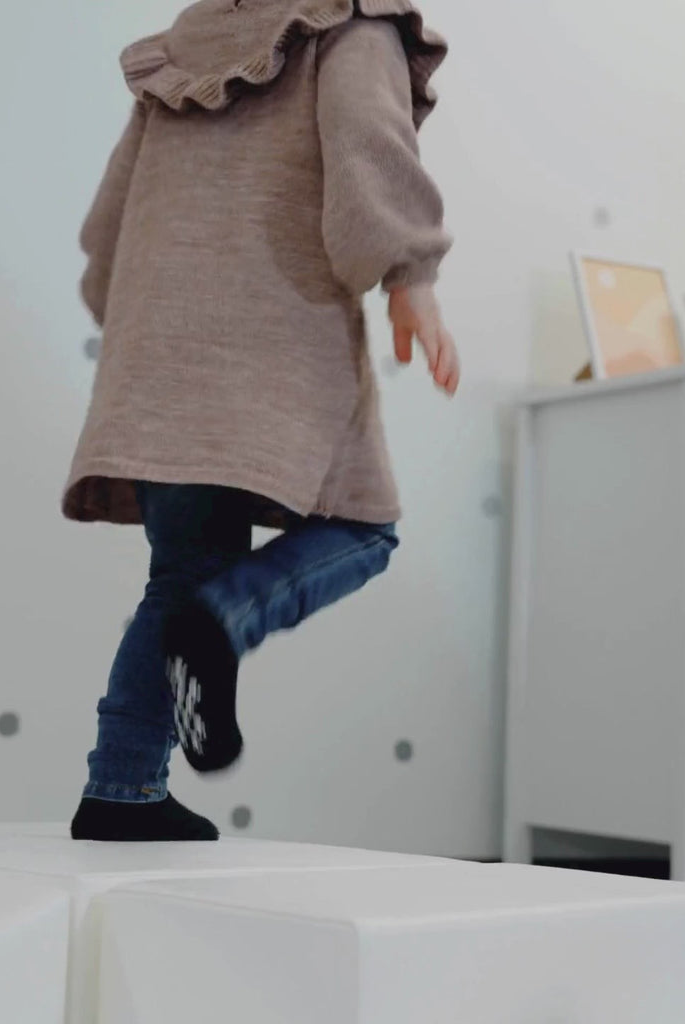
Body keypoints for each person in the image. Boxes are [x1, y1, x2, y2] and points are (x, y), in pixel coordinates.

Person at [66, 0, 459, 842]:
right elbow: (370, 144)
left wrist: (129, 315)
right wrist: (410, 276)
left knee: (177, 576)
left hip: (157, 352)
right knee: (363, 529)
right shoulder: (347, 28)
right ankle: (227, 621)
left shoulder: (177, 56)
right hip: (271, 345)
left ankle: (121, 788)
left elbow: (110, 221)